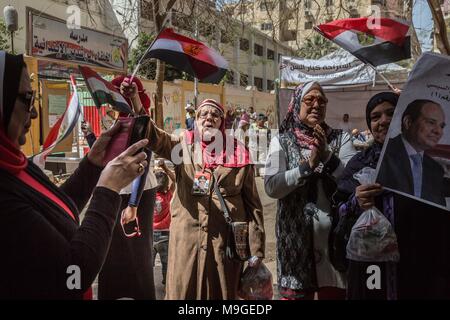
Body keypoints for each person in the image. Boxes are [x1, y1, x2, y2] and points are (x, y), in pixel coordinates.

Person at [0, 52, 149, 299]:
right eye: (27, 99)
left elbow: (54, 208)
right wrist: (107, 191)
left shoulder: (13, 163)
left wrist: (92, 165)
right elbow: (74, 273)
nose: (34, 113)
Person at [146, 98, 265, 300]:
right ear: (196, 120)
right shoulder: (183, 146)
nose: (209, 118)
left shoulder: (239, 154)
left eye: (215, 115)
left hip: (224, 246)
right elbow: (156, 138)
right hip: (186, 244)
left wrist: (257, 252)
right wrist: (135, 103)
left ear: (222, 122)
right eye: (203, 114)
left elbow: (253, 207)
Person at [338, 92, 450, 299]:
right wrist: (357, 201)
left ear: (403, 118)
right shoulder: (359, 164)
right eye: (375, 116)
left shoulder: (429, 166)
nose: (383, 121)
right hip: (374, 265)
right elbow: (339, 209)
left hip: (421, 259)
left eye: (391, 113)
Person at [264, 81, 357, 300]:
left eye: (322, 100)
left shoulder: (341, 139)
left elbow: (352, 180)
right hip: (294, 246)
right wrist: (306, 166)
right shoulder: (282, 141)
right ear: (297, 104)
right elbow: (271, 187)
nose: (317, 105)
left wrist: (326, 155)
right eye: (310, 100)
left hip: (334, 245)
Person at [97, 75, 158, 300]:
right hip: (113, 190)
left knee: (138, 254)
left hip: (137, 194)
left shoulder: (142, 123)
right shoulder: (116, 123)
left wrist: (133, 204)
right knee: (110, 252)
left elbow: (144, 162)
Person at [377, 99, 447, 206]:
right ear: (408, 122)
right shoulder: (380, 154)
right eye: (431, 122)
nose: (438, 131)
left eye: (441, 126)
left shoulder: (435, 169)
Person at [152, 159, 175, 286]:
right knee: (166, 263)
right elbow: (176, 180)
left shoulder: (148, 197)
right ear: (166, 185)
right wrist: (165, 168)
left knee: (148, 264)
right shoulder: (168, 196)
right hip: (165, 235)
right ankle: (167, 283)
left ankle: (147, 283)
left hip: (150, 235)